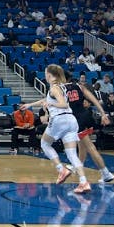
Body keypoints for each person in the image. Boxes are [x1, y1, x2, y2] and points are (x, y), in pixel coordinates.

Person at [20, 64, 91, 194]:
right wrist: (30, 104)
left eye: (45, 73)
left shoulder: (54, 88)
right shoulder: (62, 87)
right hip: (71, 121)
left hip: (59, 119)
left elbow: (63, 104)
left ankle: (61, 169)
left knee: (44, 143)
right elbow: (46, 99)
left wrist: (50, 104)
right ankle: (84, 182)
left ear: (49, 74)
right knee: (72, 154)